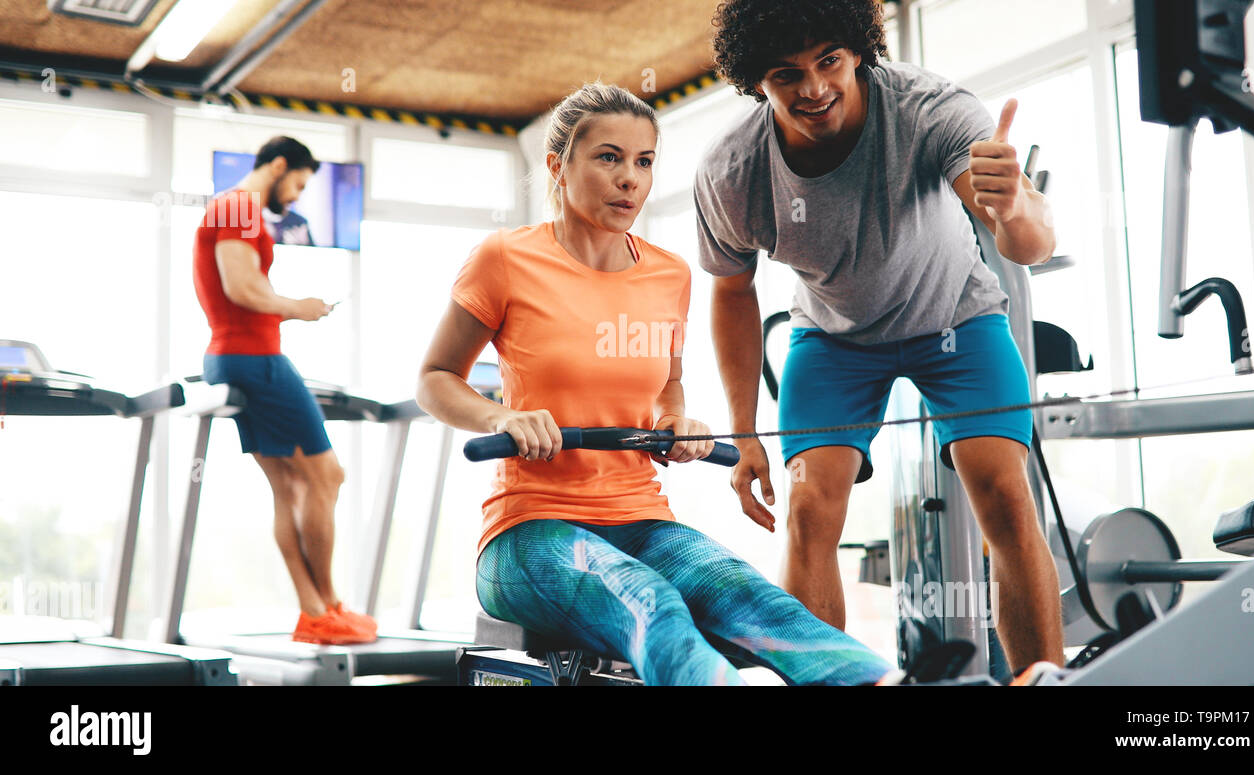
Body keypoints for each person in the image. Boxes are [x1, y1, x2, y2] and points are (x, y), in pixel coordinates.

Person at [415, 82, 894, 685]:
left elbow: (668, 386)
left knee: (753, 598)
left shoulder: (667, 275)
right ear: (558, 166)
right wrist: (501, 418)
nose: (630, 180)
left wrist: (676, 424)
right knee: (650, 602)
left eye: (643, 162)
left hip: (642, 518)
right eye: (608, 157)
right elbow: (434, 379)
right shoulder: (505, 259)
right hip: (529, 529)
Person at [695, 0, 1065, 673]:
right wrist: (744, 431)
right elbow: (730, 289)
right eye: (786, 74)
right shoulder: (732, 170)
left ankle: (1043, 677)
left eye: (828, 61)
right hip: (833, 340)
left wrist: (1016, 206)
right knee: (807, 509)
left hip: (955, 319)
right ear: (756, 83)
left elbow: (1030, 242)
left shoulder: (929, 110)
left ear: (860, 50)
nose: (813, 88)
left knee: (1007, 497)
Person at [193, 135, 376, 645]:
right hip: (255, 359)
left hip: (235, 356)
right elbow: (241, 287)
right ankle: (330, 604)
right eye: (297, 182)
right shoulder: (237, 207)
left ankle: (315, 611)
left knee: (291, 487)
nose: (296, 196)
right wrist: (304, 307)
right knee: (329, 475)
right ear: (277, 166)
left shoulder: (236, 211)